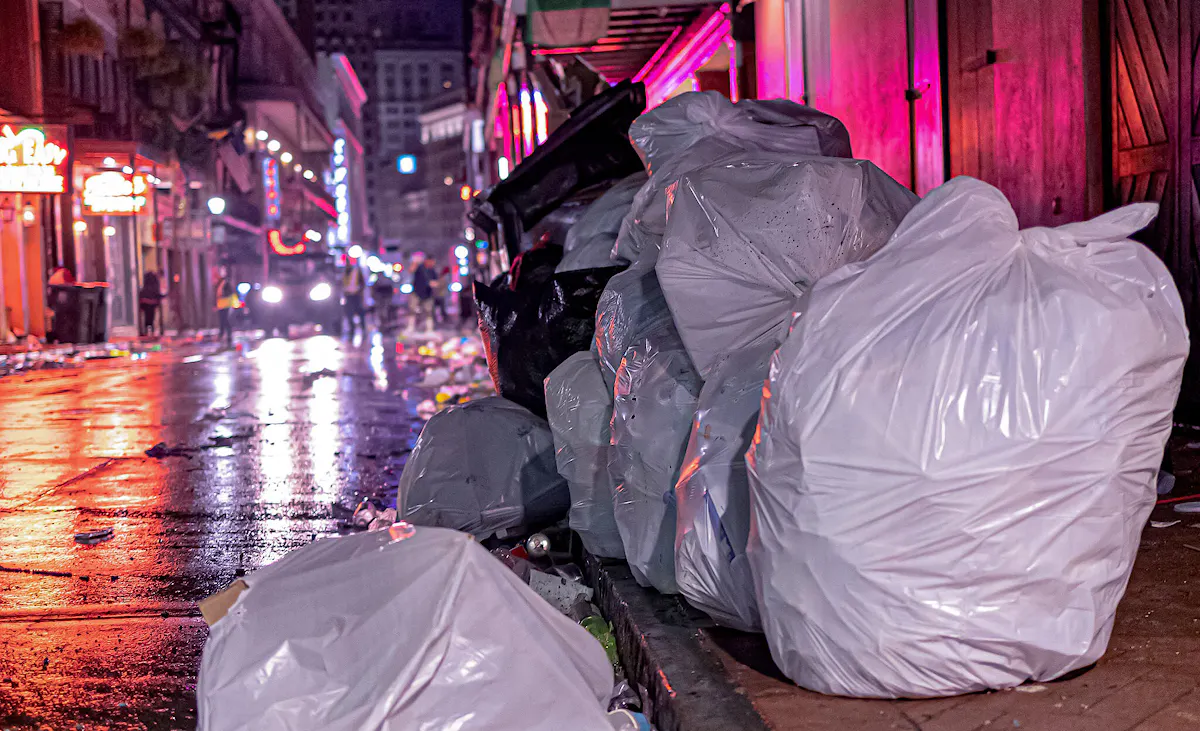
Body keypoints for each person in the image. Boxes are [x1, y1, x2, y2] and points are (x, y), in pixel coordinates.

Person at [409, 258, 437, 333]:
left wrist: (433, 284)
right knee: (412, 310)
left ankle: (429, 329)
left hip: (427, 294)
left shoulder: (432, 271)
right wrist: (415, 262)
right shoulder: (419, 268)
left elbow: (435, 281)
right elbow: (411, 270)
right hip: (416, 292)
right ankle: (410, 327)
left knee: (429, 311)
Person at [215, 267, 236, 348]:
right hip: (221, 305)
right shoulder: (220, 283)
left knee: (226, 321)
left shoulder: (226, 283)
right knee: (222, 321)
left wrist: (223, 295)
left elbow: (229, 293)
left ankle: (228, 336)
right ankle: (222, 335)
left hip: (226, 305)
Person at [139, 271, 164, 337]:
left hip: (146, 304)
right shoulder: (154, 286)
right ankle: (151, 330)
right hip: (152, 304)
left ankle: (147, 330)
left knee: (147, 318)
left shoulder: (146, 287)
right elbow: (158, 295)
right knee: (151, 318)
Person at [343, 263, 366, 335]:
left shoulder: (356, 271)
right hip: (348, 296)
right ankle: (352, 331)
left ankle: (363, 330)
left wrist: (360, 292)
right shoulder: (344, 272)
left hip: (356, 295)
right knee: (349, 314)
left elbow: (362, 283)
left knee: (360, 313)